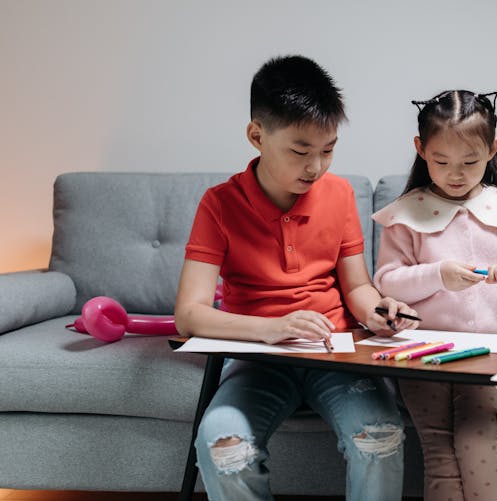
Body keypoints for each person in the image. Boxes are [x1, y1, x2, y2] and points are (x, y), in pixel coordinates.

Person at [174, 55, 418, 501]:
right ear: (257, 136)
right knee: (223, 447)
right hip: (257, 357)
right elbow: (189, 316)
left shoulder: (341, 194)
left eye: (328, 150)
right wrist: (271, 329)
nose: (316, 167)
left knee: (380, 437)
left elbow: (357, 287)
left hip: (335, 354)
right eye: (300, 151)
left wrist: (378, 311)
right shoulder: (219, 204)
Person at [372, 89, 497, 500]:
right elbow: (387, 281)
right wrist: (438, 275)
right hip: (420, 350)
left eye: (470, 162)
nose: (455, 174)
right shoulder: (406, 214)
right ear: (421, 150)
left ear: (493, 150)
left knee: (479, 439)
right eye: (442, 162)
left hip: (487, 351)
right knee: (438, 446)